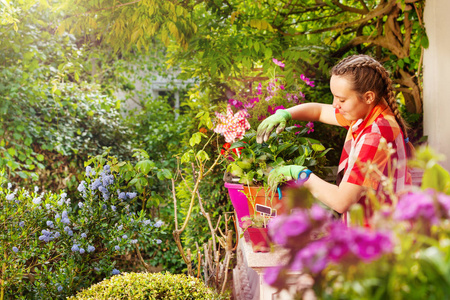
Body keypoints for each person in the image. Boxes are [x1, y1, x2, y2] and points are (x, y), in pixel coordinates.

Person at [257, 54, 413, 223]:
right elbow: (319, 111)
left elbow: (341, 201)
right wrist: (286, 113)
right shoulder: (366, 113)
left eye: (341, 99)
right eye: (334, 97)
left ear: (368, 97)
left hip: (381, 235)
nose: (334, 104)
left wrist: (299, 174)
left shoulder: (376, 134)